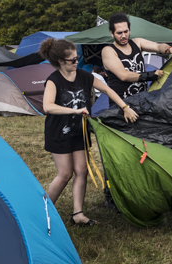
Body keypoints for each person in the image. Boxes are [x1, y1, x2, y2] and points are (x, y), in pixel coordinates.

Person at [42, 37, 138, 226]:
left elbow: (109, 90)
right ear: (61, 61)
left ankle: (78, 214)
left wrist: (125, 107)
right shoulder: (53, 80)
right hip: (59, 132)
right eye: (72, 60)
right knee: (65, 174)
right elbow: (48, 106)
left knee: (82, 170)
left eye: (77, 58)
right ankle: (42, 211)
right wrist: (75, 111)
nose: (76, 62)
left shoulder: (85, 76)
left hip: (80, 132)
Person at [100, 12, 172, 100]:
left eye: (126, 31)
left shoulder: (137, 43)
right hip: (122, 106)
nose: (124, 36)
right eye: (119, 33)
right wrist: (151, 75)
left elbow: (158, 46)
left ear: (129, 30)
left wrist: (170, 49)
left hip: (142, 101)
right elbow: (123, 75)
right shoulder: (108, 51)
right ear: (112, 33)